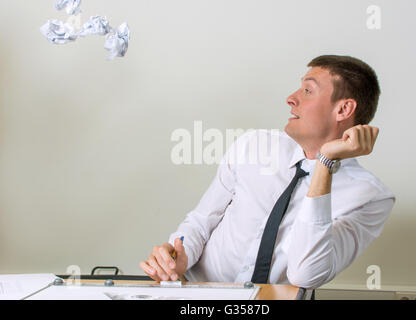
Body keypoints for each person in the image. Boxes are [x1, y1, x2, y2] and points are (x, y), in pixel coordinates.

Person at [139, 55, 395, 289]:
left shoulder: (370, 197)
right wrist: (178, 255)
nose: (291, 98)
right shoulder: (253, 145)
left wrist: (324, 163)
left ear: (343, 110)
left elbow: (306, 274)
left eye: (308, 90)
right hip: (200, 293)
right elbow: (202, 219)